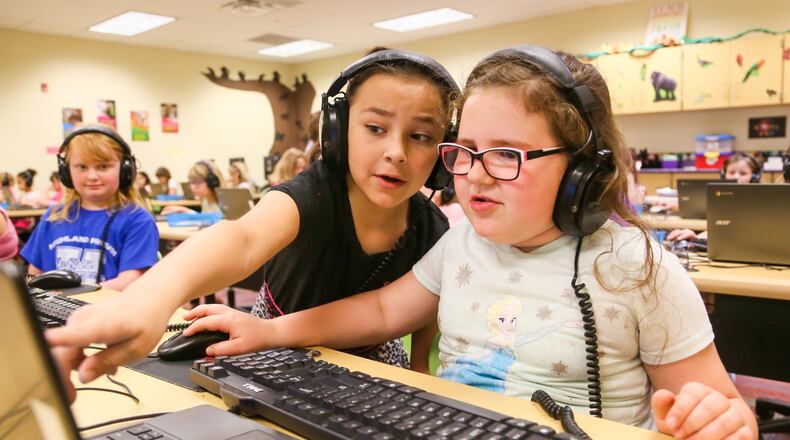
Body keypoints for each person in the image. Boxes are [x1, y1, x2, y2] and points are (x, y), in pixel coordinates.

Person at [177, 46, 754, 437]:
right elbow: (381, 309)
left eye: (506, 153)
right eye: (466, 151)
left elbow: (720, 407)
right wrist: (270, 331)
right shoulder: (461, 245)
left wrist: (721, 422)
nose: (474, 172)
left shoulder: (637, 268)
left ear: (582, 171)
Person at [47, 48, 458, 382]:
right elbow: (242, 239)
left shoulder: (433, 228)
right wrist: (150, 299)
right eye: (375, 128)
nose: (397, 151)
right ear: (337, 131)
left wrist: (421, 369)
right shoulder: (314, 193)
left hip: (371, 352)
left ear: (443, 155)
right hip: (271, 337)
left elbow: (423, 319)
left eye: (420, 136)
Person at [20, 125, 159, 290]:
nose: (92, 176)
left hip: (109, 311)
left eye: (103, 166)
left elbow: (131, 281)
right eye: (82, 167)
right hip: (56, 311)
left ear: (125, 170)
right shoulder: (53, 216)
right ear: (66, 172)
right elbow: (35, 275)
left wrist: (73, 296)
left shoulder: (138, 220)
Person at [667, 152, 761, 241]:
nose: (736, 177)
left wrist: (696, 239)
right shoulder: (719, 196)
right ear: (723, 175)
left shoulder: (756, 202)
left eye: (743, 173)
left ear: (754, 177)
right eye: (732, 173)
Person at [161, 161, 226, 214]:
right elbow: (205, 218)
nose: (192, 187)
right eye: (191, 182)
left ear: (212, 182)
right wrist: (184, 210)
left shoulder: (224, 204)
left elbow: (214, 222)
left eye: (197, 182)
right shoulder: (206, 200)